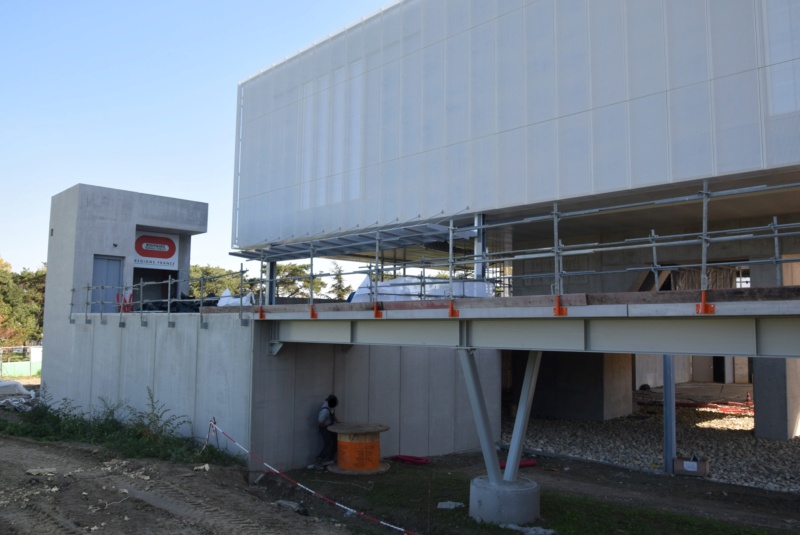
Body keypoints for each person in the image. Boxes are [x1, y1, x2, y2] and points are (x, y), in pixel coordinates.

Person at [311, 394, 338, 469]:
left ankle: (332, 459)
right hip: (324, 429)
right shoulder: (325, 410)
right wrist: (327, 427)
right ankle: (318, 460)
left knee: (335, 442)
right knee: (328, 444)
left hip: (329, 428)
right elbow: (319, 423)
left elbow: (332, 414)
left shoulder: (330, 407)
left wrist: (337, 421)